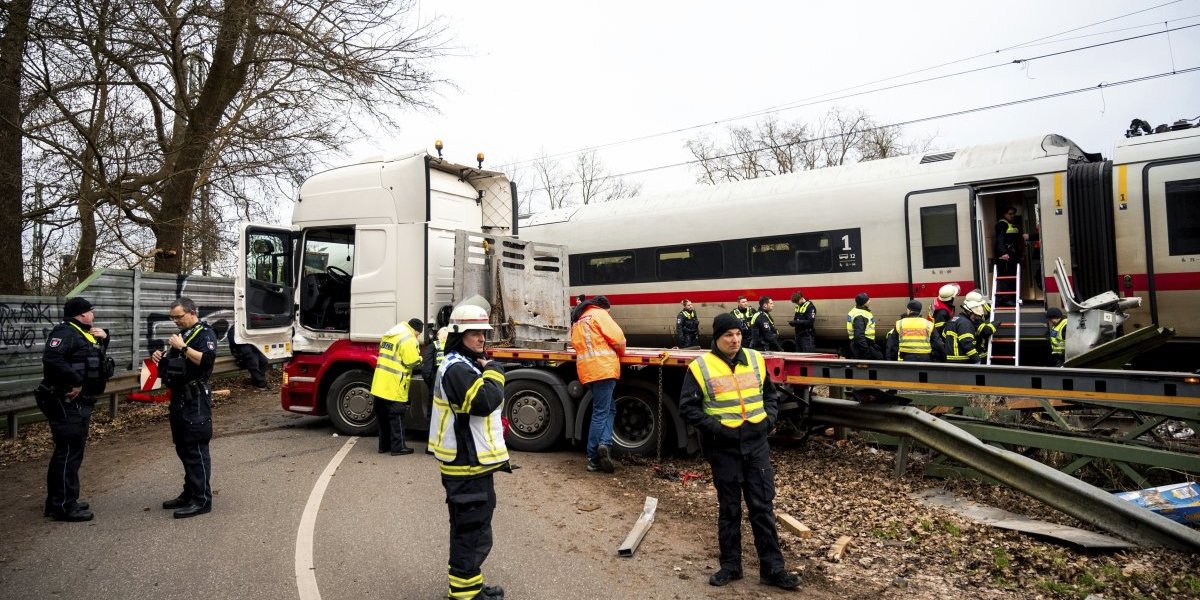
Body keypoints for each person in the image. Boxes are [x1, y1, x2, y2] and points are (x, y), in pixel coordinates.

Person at [678, 313, 802, 591]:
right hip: (724, 448)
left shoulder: (755, 359)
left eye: (738, 334)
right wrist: (719, 429)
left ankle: (773, 569)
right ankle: (731, 566)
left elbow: (770, 395)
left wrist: (769, 420)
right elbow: (688, 407)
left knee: (762, 508)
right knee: (730, 510)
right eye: (728, 336)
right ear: (717, 338)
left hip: (756, 445)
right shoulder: (701, 367)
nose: (735, 340)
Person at [428, 304, 509, 600]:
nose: (481, 339)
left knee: (473, 529)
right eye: (474, 333)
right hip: (465, 468)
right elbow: (484, 400)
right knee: (471, 531)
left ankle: (470, 586)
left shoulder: (464, 363)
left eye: (484, 333)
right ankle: (465, 595)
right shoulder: (458, 368)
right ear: (459, 334)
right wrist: (496, 371)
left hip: (471, 465)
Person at [36, 296, 112, 522]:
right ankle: (62, 506)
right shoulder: (65, 333)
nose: (93, 314)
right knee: (68, 453)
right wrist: (76, 381)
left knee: (69, 452)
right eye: (91, 311)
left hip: (78, 402)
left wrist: (104, 340)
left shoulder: (81, 332)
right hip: (65, 401)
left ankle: (62, 499)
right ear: (82, 314)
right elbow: (52, 359)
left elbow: (91, 358)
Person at [152, 297, 218, 518]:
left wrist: (183, 347)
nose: (176, 322)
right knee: (182, 447)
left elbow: (206, 361)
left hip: (195, 399)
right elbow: (174, 367)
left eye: (179, 317)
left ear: (192, 312)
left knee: (196, 449)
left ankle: (202, 500)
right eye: (173, 318)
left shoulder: (205, 334)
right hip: (179, 398)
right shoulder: (183, 336)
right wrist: (160, 358)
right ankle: (190, 492)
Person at [570, 295, 626, 473]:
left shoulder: (579, 320)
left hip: (587, 372)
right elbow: (619, 339)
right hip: (604, 369)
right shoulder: (599, 314)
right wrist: (621, 352)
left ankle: (605, 444)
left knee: (609, 409)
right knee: (601, 412)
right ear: (604, 307)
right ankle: (593, 457)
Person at [370, 317, 423, 455]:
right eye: (418, 334)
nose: (417, 336)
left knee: (382, 417)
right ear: (416, 330)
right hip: (394, 383)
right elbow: (412, 362)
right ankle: (398, 447)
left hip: (380, 382)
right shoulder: (408, 338)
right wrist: (421, 359)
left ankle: (384, 446)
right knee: (396, 415)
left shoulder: (390, 334)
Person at [995, 206, 1028, 306]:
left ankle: (1015, 298)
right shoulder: (1001, 224)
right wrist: (1003, 253)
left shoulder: (1012, 224)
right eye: (1010, 213)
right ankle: (1006, 299)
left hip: (1014, 255)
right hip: (1006, 256)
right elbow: (1000, 240)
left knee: (1015, 277)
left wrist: (1021, 254)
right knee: (1007, 277)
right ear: (1004, 214)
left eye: (1013, 213)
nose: (1012, 215)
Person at [846, 293, 883, 360]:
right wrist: (866, 351)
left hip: (863, 344)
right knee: (878, 360)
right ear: (863, 303)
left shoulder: (858, 311)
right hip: (862, 345)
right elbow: (859, 336)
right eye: (867, 300)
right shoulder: (859, 315)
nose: (869, 301)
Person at [928, 283, 959, 361]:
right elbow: (940, 331)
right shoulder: (942, 312)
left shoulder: (938, 301)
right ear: (951, 298)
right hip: (936, 338)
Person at [965, 291, 996, 363]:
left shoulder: (979, 307)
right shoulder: (973, 316)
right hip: (979, 346)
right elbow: (985, 330)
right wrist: (995, 323)